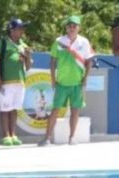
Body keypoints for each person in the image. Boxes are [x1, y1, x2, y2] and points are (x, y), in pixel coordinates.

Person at [40, 16, 94, 147]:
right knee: (55, 110)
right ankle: (47, 138)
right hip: (62, 83)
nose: (72, 28)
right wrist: (53, 79)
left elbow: (89, 61)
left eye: (74, 25)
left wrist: (85, 78)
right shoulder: (59, 41)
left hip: (77, 83)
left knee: (75, 111)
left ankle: (72, 138)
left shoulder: (84, 42)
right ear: (66, 27)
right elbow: (52, 61)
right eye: (69, 25)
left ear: (79, 27)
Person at [0, 18, 32, 146]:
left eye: (23, 28)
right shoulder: (1, 42)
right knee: (5, 109)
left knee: (14, 109)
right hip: (6, 81)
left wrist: (27, 56)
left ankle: (13, 134)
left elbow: (28, 66)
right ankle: (6, 135)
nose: (22, 31)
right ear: (12, 30)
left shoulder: (23, 45)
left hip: (20, 81)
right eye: (20, 28)